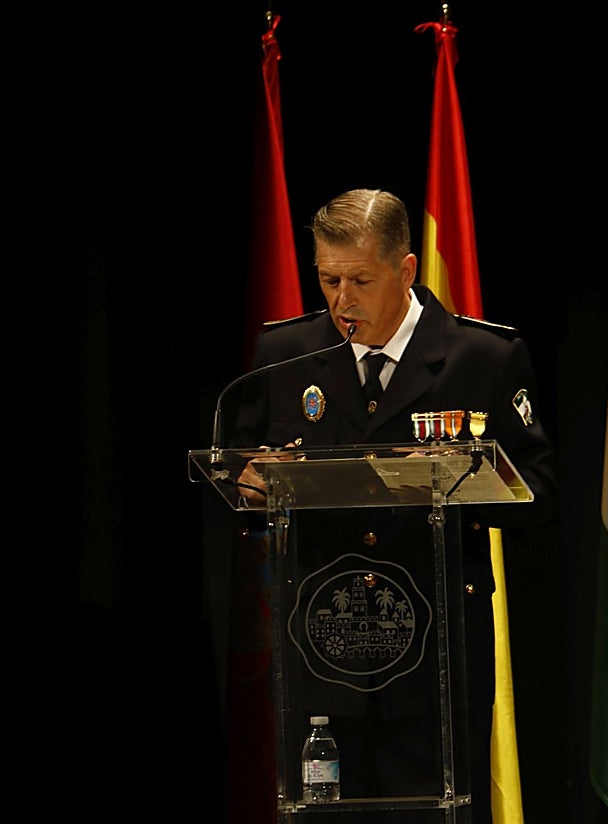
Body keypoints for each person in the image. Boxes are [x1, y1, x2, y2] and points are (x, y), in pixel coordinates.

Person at [228, 188, 558, 824]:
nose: (341, 300)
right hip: (321, 650)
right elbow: (241, 478)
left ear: (406, 271)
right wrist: (251, 490)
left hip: (436, 657)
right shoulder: (286, 355)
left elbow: (539, 492)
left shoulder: (483, 358)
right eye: (328, 280)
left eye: (360, 280)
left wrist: (451, 481)